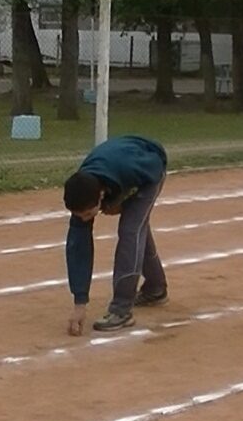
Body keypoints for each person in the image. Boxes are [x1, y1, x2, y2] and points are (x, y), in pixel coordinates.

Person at [63, 135, 169, 335]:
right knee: (136, 228)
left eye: (88, 214)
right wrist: (80, 302)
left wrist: (122, 200)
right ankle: (156, 288)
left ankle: (121, 309)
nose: (84, 219)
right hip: (118, 172)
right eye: (79, 215)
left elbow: (154, 168)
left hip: (149, 167)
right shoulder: (83, 189)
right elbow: (79, 250)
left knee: (131, 230)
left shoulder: (130, 169)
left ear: (100, 196)